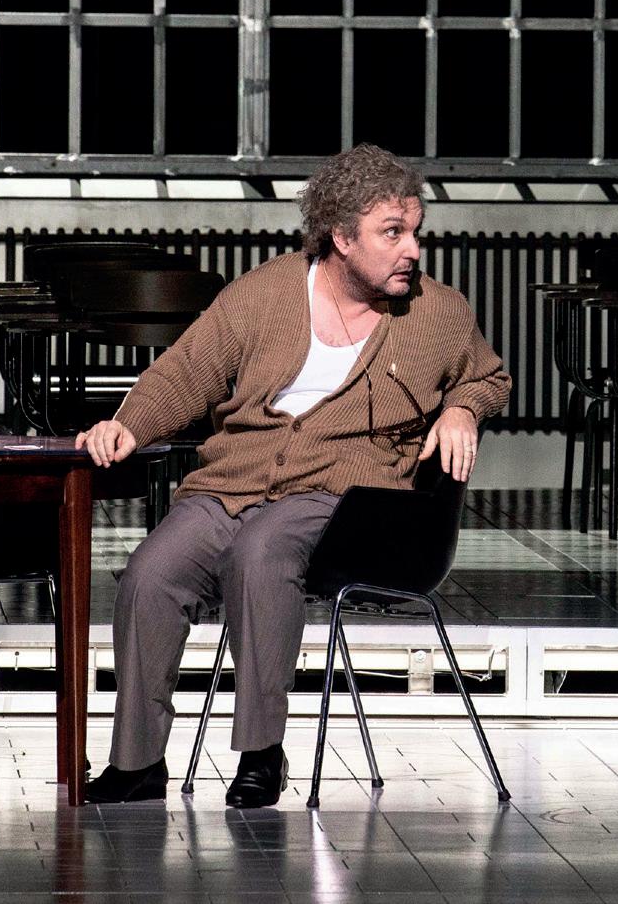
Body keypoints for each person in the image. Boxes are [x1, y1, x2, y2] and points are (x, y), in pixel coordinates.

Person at [74, 144, 511, 807]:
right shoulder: (265, 293)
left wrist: (462, 408)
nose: (413, 250)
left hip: (340, 492)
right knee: (150, 574)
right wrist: (128, 425)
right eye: (393, 233)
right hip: (234, 482)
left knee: (262, 553)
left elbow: (489, 377)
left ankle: (260, 752)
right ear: (341, 236)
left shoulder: (436, 313)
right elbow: (186, 371)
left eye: (414, 231)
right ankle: (137, 761)